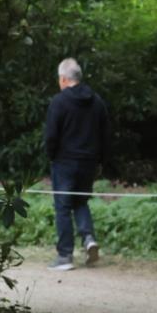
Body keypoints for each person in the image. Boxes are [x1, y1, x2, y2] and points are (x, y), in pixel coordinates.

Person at [44, 57, 111, 271]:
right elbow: (105, 134)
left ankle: (65, 256)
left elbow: (51, 135)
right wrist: (100, 160)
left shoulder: (59, 102)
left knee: (62, 206)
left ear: (63, 79)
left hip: (64, 161)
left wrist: (51, 155)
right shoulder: (97, 101)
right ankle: (89, 238)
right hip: (89, 162)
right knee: (80, 201)